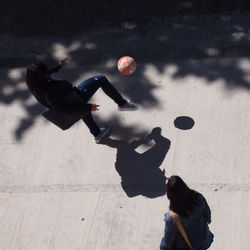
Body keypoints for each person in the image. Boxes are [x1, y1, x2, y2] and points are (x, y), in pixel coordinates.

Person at [26, 57, 138, 143]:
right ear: (42, 76)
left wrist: (58, 66)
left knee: (81, 109)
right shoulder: (49, 92)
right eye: (46, 72)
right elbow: (66, 110)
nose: (48, 72)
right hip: (73, 97)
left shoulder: (34, 82)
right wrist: (89, 107)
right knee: (100, 79)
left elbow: (46, 74)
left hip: (70, 98)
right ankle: (122, 103)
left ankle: (97, 133)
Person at [160, 176, 214, 250]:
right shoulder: (198, 197)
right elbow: (208, 218)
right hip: (204, 240)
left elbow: (167, 243)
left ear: (170, 195)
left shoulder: (172, 218)